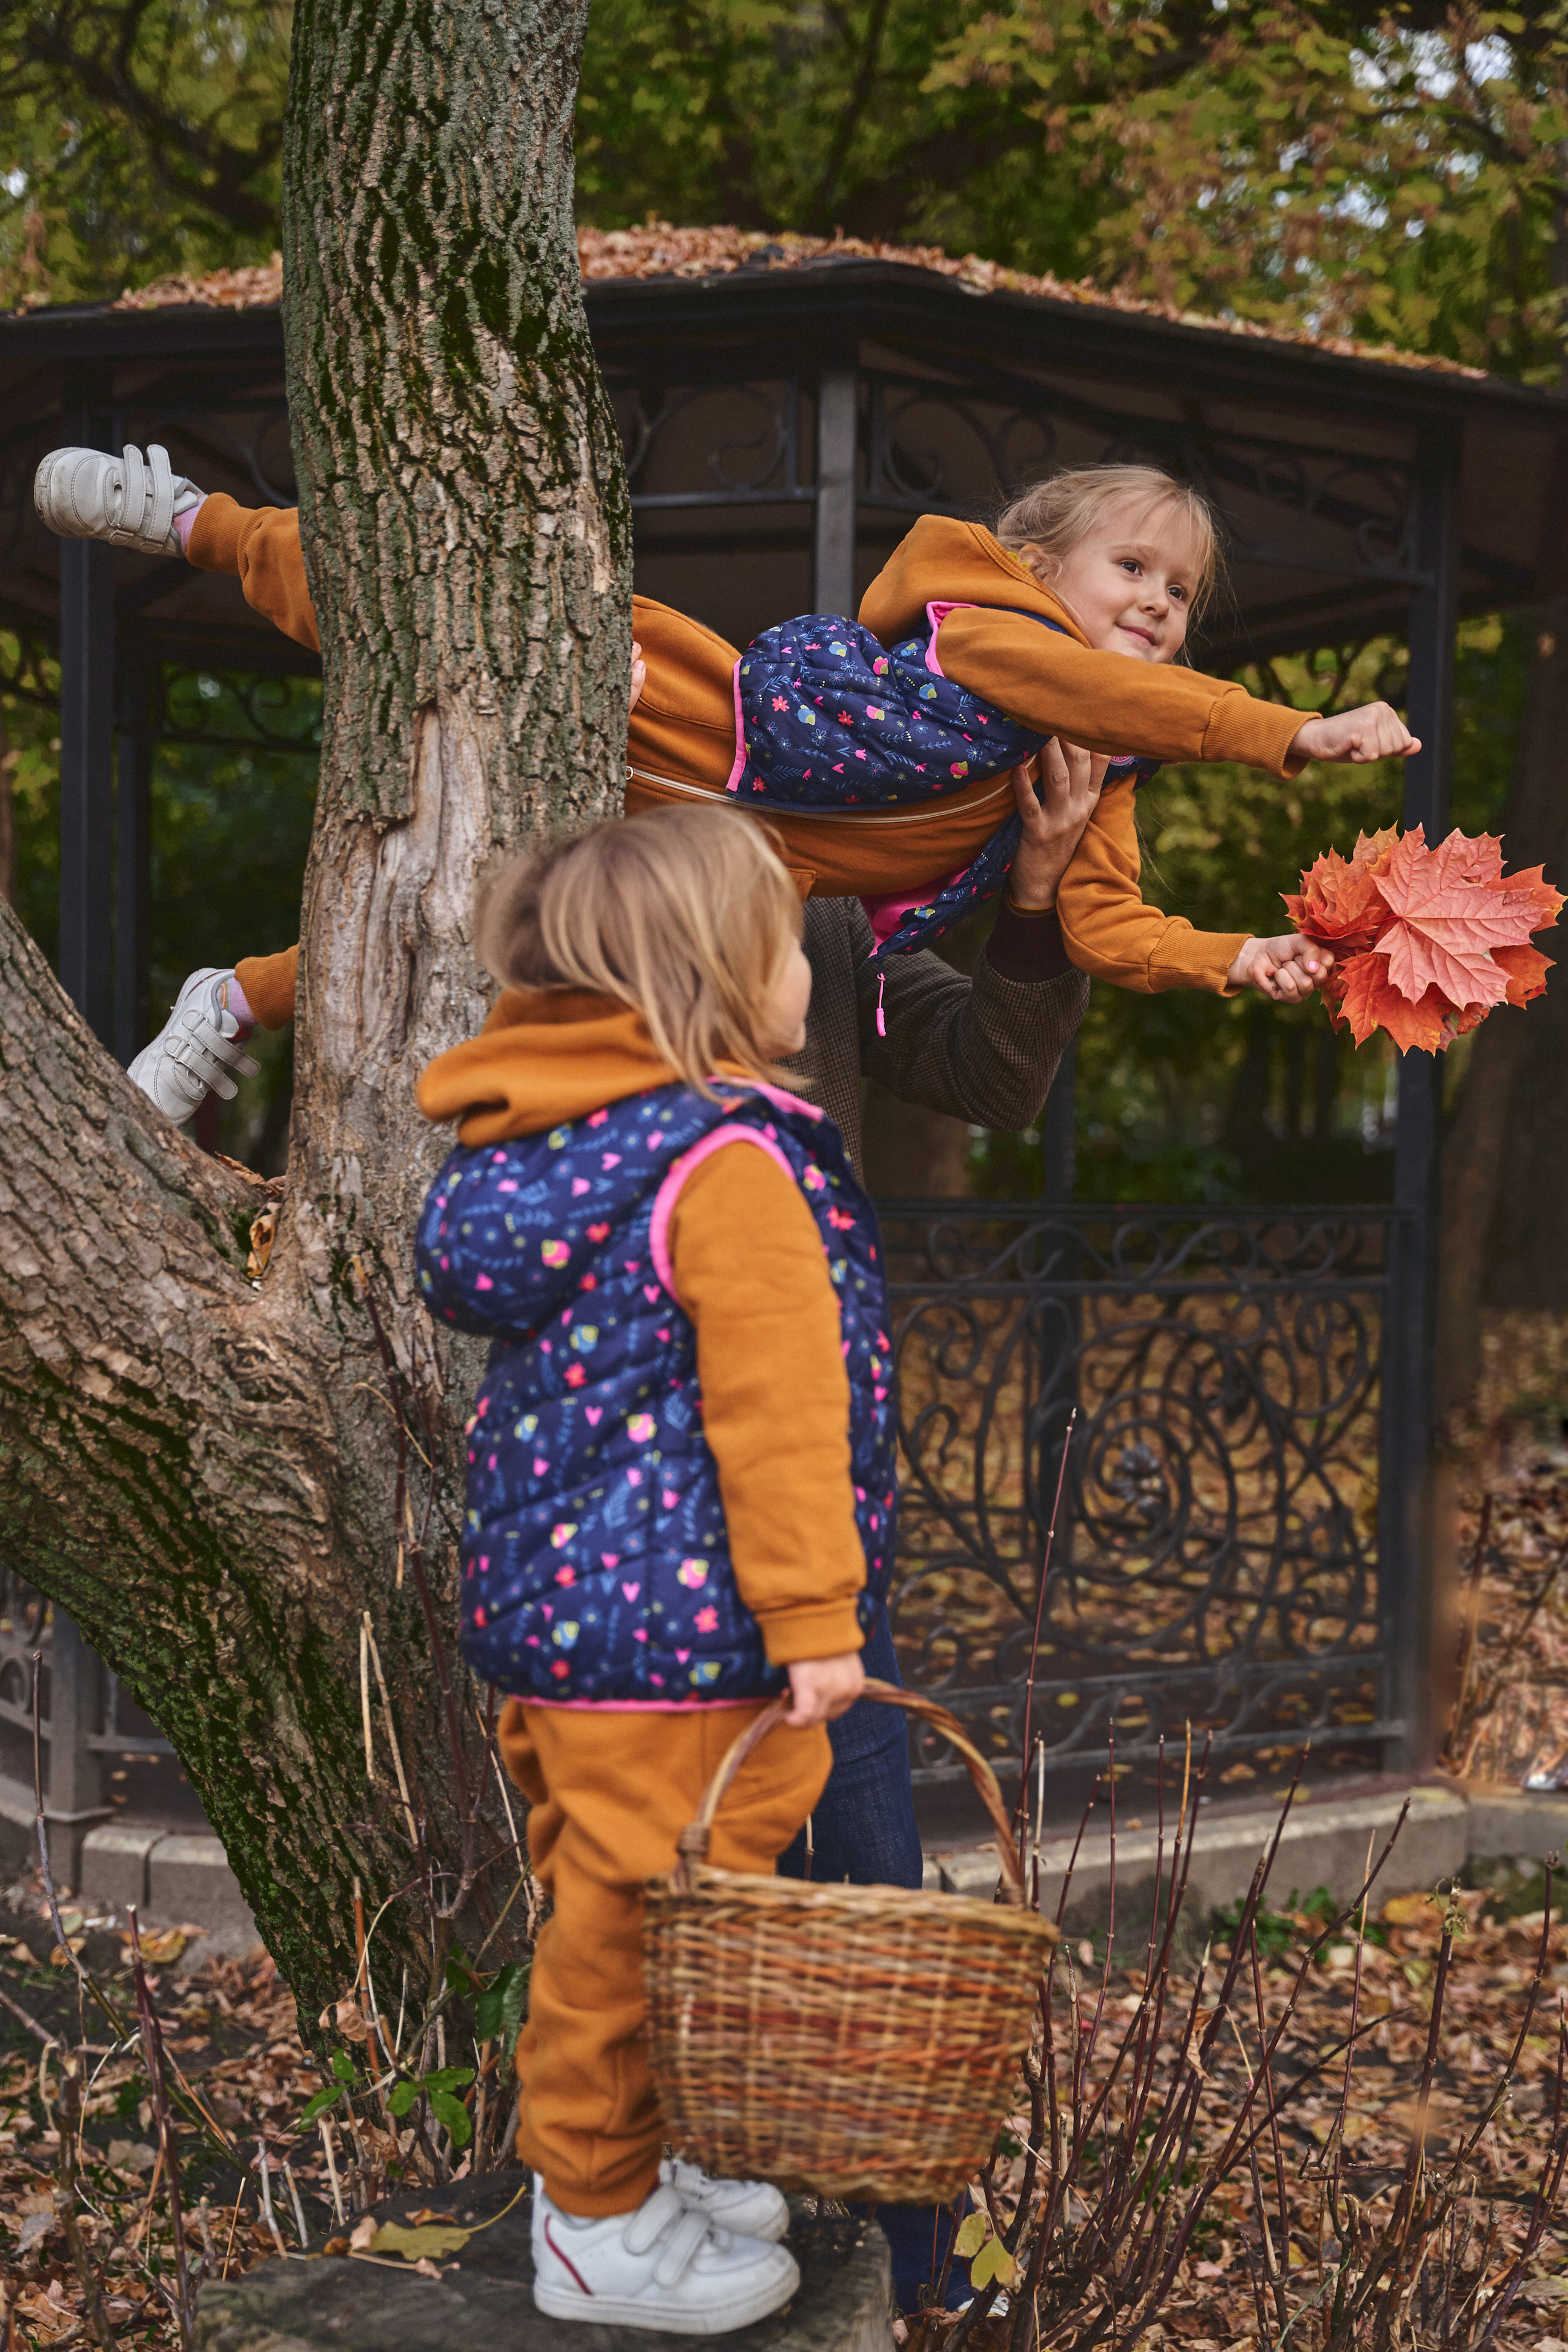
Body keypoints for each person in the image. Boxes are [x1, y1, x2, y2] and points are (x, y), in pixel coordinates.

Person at [32, 451, 1419, 1120]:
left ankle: (236, 999)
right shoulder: (996, 635)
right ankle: (200, 522)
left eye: (1180, 593)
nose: (1159, 607)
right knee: (461, 615)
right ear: (1035, 562)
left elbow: (1102, 937)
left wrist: (1243, 953)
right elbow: (1123, 697)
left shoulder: (1085, 776)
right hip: (713, 726)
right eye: (1131, 570)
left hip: (724, 862)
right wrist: (1286, 735)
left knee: (496, 933)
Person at [412, 802, 894, 2331]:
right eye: (783, 941)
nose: (809, 966)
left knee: (623, 1912)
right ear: (713, 978)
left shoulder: (565, 1156)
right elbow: (776, 1416)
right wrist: (816, 1619)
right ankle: (593, 2220)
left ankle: (640, 2160)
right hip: (682, 1642)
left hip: (578, 1631)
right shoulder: (727, 1167)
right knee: (628, 1935)